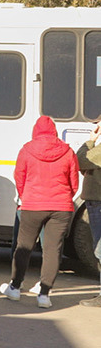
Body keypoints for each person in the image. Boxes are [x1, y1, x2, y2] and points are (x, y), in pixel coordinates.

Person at [2, 115, 79, 309]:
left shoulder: (27, 150)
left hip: (32, 205)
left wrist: (25, 196)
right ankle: (44, 295)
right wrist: (64, 198)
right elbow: (74, 182)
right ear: (54, 131)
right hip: (61, 207)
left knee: (24, 247)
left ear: (35, 131)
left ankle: (15, 288)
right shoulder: (67, 151)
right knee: (52, 250)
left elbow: (19, 176)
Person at [74, 119, 101, 307]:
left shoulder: (98, 149)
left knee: (100, 249)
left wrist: (90, 141)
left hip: (98, 203)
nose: (97, 127)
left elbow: (81, 160)